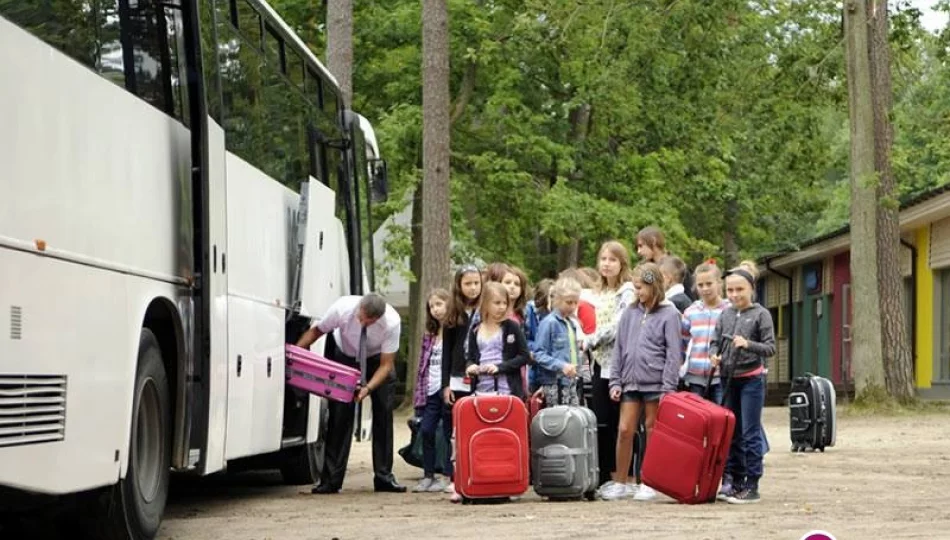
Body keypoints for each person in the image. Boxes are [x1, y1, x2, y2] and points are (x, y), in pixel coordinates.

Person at [295, 293, 406, 494]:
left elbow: (386, 365)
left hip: (376, 361)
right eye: (360, 317)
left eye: (368, 321)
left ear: (378, 318)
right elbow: (316, 332)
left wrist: (368, 388)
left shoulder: (392, 322)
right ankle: (331, 480)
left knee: (383, 414)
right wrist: (295, 355)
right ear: (358, 308)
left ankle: (384, 477)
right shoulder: (342, 308)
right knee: (340, 417)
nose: (362, 322)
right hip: (345, 355)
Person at [601, 263, 682, 502]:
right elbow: (619, 349)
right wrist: (615, 381)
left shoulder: (670, 314)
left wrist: (669, 386)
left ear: (653, 286)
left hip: (656, 384)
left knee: (652, 430)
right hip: (630, 382)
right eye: (635, 287)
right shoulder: (629, 313)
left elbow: (674, 353)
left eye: (641, 288)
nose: (638, 292)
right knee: (625, 430)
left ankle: (648, 481)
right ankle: (621, 482)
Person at [710, 263, 776, 504]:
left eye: (740, 289)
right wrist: (714, 354)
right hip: (728, 380)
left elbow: (770, 348)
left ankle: (752, 483)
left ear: (751, 289)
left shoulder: (761, 314)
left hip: (751, 380)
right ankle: (734, 480)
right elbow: (715, 341)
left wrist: (747, 344)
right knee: (732, 432)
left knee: (750, 432)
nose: (735, 295)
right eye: (730, 290)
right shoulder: (725, 314)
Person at [583, 241, 635, 490]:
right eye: (603, 259)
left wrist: (590, 339)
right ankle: (603, 473)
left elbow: (619, 324)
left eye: (612, 259)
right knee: (601, 419)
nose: (606, 263)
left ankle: (623, 474)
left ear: (622, 263)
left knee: (621, 422)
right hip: (596, 363)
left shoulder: (627, 291)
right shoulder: (594, 293)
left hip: (620, 364)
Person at [412, 289, 454, 493]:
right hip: (430, 389)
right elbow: (422, 366)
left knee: (448, 432)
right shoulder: (429, 335)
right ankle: (428, 475)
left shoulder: (454, 330)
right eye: (432, 306)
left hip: (448, 389)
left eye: (439, 304)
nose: (435, 310)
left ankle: (449, 474)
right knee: (426, 430)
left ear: (448, 304)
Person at [464, 282, 530, 399]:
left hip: (507, 390)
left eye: (505, 303)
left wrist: (500, 367)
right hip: (481, 389)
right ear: (485, 304)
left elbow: (524, 356)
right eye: (497, 303)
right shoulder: (475, 329)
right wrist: (470, 366)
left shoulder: (512, 326)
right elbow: (471, 358)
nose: (502, 307)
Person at [681, 260, 730, 404]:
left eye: (709, 284)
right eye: (700, 285)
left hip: (721, 376)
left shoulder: (729, 310)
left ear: (719, 283)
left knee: (721, 415)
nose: (705, 289)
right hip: (695, 376)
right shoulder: (691, 312)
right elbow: (682, 342)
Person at [533, 277, 583, 406]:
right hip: (555, 383)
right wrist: (561, 365)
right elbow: (539, 354)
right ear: (557, 300)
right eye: (568, 302)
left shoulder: (571, 323)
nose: (572, 306)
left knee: (573, 419)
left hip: (571, 381)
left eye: (575, 303)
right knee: (559, 420)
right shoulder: (549, 323)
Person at [637, 226, 696, 301]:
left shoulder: (676, 266)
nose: (639, 251)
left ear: (653, 241)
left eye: (641, 246)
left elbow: (690, 298)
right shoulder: (644, 269)